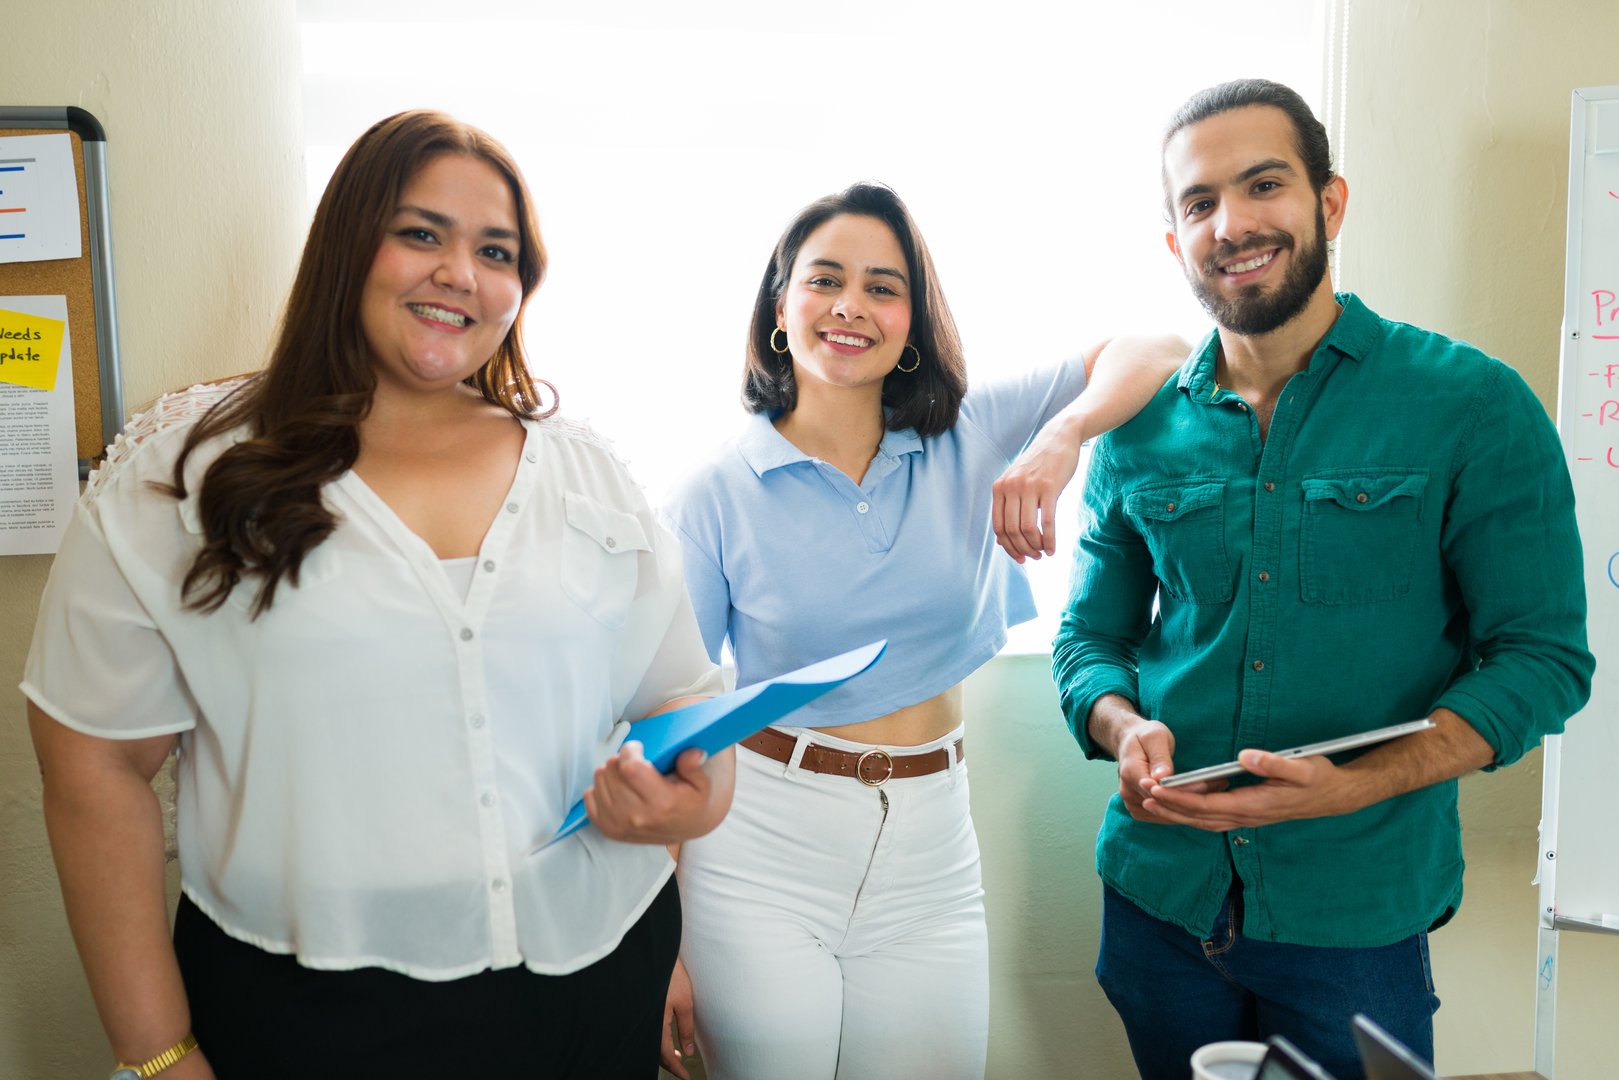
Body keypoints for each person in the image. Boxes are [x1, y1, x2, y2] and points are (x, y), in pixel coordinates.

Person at [22, 110, 732, 1079]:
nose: (460, 272)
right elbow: (93, 768)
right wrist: (155, 1052)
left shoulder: (586, 474)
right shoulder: (184, 475)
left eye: (496, 250)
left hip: (595, 976)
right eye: (420, 233)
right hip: (311, 1013)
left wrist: (694, 803)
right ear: (346, 244)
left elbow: (682, 696)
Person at [1052, 78, 1594, 1079]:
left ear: (1328, 202)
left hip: (1355, 919)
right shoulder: (1135, 431)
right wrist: (1120, 727)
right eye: (1198, 203)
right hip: (1154, 905)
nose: (1232, 223)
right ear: (1174, 242)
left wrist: (1349, 789)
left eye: (1262, 185)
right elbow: (1090, 639)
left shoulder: (1470, 405)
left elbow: (1543, 657)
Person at [658, 181, 1187, 1080]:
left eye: (882, 286)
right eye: (824, 280)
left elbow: (1164, 346)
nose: (851, 306)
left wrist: (1060, 439)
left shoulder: (967, 432)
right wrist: (662, 942)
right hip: (761, 846)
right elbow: (671, 713)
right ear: (780, 306)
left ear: (911, 320)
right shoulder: (717, 489)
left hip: (932, 843)